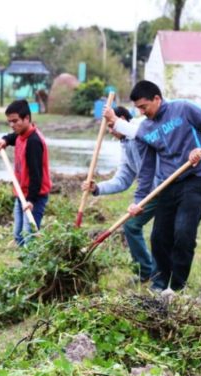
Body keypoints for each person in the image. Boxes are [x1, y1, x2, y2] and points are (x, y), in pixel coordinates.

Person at [126, 80, 201, 293]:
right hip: (167, 185)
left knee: (183, 233)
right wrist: (138, 202)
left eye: (144, 106)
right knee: (159, 237)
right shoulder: (144, 130)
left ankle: (177, 288)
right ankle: (159, 284)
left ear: (157, 99)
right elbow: (146, 171)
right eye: (138, 108)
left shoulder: (183, 109)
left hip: (195, 179)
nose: (142, 112)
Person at [81, 106, 157, 283]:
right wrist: (97, 188)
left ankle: (149, 272)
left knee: (136, 226)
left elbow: (137, 130)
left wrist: (116, 120)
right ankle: (148, 272)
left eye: (110, 126)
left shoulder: (140, 127)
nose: (109, 131)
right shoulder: (125, 144)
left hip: (163, 187)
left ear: (120, 118)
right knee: (133, 226)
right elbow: (123, 179)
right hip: (150, 193)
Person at [0, 99, 52, 246]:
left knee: (29, 237)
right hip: (21, 194)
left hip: (34, 197)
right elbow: (13, 137)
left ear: (27, 118)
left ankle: (32, 265)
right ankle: (24, 265)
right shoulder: (20, 134)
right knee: (18, 235)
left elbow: (36, 176)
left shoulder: (33, 142)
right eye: (9, 122)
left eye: (15, 121)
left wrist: (31, 200)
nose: (12, 125)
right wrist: (5, 140)